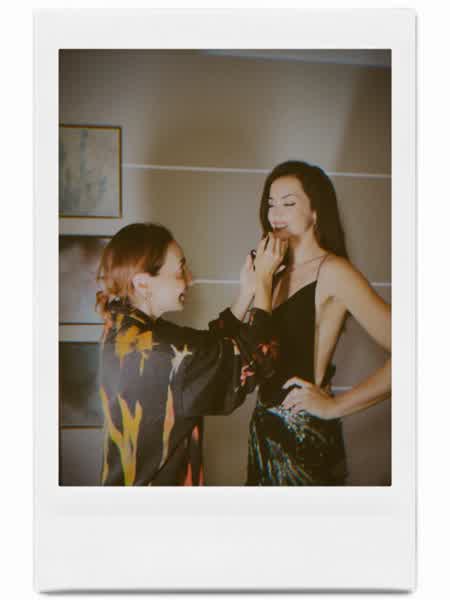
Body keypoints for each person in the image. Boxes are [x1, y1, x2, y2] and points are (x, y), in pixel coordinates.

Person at [95, 222, 286, 486]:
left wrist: (248, 293)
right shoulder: (159, 351)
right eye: (180, 270)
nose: (191, 278)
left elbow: (205, 349)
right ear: (143, 283)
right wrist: (265, 280)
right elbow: (255, 357)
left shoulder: (126, 328)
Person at [244, 161, 391, 486]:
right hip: (263, 435)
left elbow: (414, 351)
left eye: (288, 203)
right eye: (271, 203)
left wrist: (335, 406)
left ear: (315, 212)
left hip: (302, 439)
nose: (275, 213)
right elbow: (254, 363)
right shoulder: (273, 270)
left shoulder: (334, 271)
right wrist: (258, 283)